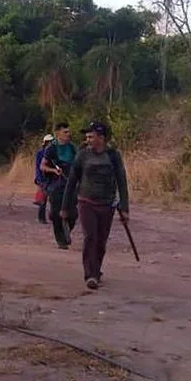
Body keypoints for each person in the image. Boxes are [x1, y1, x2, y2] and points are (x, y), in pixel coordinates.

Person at [61, 121, 129, 290]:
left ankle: (96, 271)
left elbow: (122, 181)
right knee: (90, 237)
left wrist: (125, 207)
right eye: (87, 136)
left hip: (107, 204)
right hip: (86, 202)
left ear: (102, 138)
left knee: (101, 241)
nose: (88, 139)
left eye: (91, 136)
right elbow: (72, 181)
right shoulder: (82, 155)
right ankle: (90, 274)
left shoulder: (113, 155)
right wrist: (64, 207)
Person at [40, 122, 78, 249]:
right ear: (58, 134)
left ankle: (66, 229)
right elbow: (43, 166)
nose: (68, 134)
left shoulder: (72, 147)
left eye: (69, 132)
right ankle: (61, 239)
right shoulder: (51, 148)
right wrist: (53, 170)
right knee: (57, 213)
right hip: (56, 184)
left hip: (71, 183)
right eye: (65, 132)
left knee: (73, 214)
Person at [34, 134, 55, 224]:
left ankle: (53, 216)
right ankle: (41, 218)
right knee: (43, 200)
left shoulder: (53, 152)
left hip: (52, 178)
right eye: (49, 141)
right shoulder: (40, 153)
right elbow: (38, 167)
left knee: (54, 198)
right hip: (43, 178)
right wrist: (39, 180)